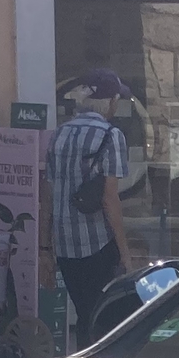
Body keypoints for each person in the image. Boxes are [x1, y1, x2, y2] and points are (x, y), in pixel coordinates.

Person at [47, 69, 130, 343]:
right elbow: (109, 198)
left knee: (84, 313)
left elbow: (46, 194)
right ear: (110, 101)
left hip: (64, 243)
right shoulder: (111, 135)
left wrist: (44, 249)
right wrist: (125, 253)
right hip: (97, 242)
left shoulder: (58, 134)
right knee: (104, 317)